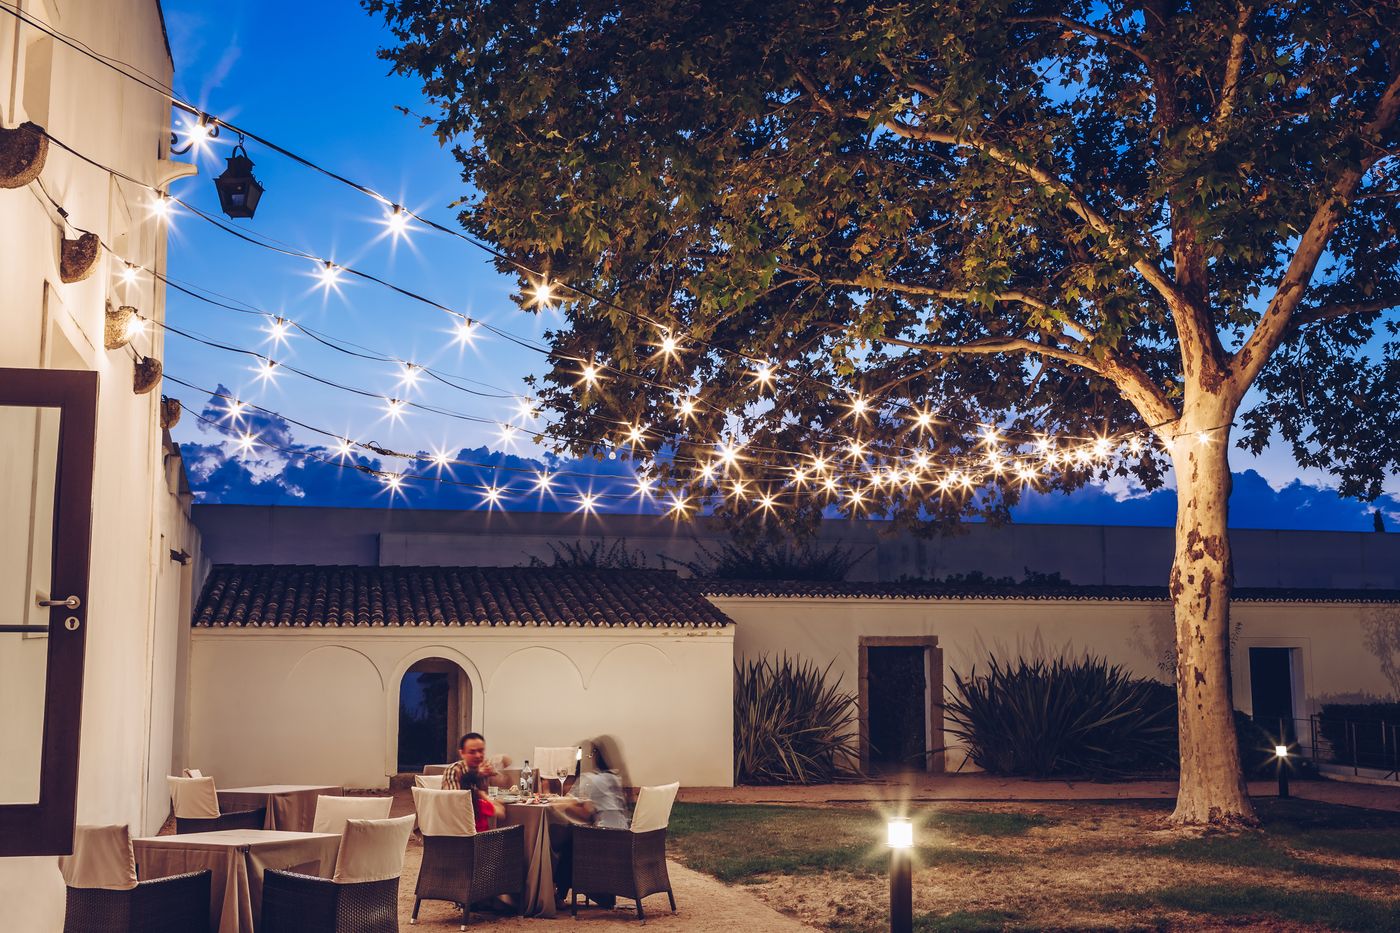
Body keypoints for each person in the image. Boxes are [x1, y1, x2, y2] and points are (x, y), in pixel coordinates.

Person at [442, 732, 505, 832]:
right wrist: (477, 774)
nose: (478, 755)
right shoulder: (455, 770)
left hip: (481, 820)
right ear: (462, 753)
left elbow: (506, 763)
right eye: (472, 752)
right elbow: (454, 801)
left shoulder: (485, 767)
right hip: (459, 825)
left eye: (481, 751)